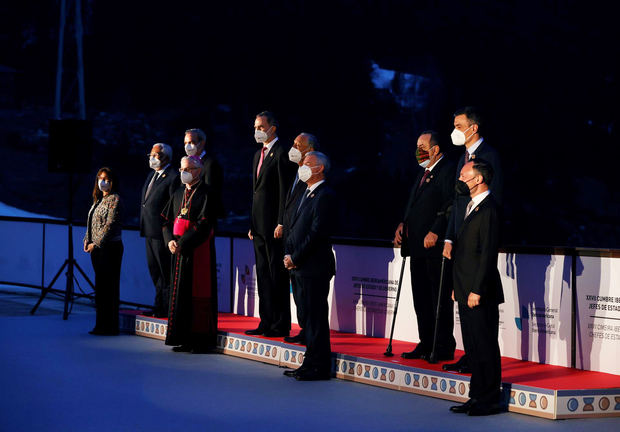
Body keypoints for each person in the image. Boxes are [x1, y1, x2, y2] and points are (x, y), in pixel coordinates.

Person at [442, 106, 504, 374]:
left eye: (459, 125)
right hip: (463, 235)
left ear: (473, 127)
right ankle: (473, 373)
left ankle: (485, 389)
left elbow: (494, 199)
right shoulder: (462, 158)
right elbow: (457, 202)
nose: (454, 130)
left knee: (483, 333)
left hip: (481, 233)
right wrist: (449, 236)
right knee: (470, 329)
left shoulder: (489, 156)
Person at [394, 131, 456, 361]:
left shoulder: (447, 170)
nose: (418, 150)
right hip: (416, 246)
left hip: (435, 246)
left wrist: (437, 230)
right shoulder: (423, 173)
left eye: (422, 146)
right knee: (421, 298)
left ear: (435, 149)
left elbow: (451, 204)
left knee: (437, 298)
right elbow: (414, 206)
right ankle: (426, 342)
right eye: (417, 145)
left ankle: (442, 346)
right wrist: (403, 223)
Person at [448, 160, 504, 416]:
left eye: (463, 175)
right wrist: (457, 287)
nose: (460, 179)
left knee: (484, 345)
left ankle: (490, 399)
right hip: (464, 288)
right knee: (472, 346)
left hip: (479, 292)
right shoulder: (471, 207)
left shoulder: (490, 209)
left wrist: (477, 290)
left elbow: (487, 255)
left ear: (478, 179)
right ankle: (476, 396)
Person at [282, 151, 336, 380]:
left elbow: (316, 233)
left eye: (307, 164)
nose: (302, 167)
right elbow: (293, 227)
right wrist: (288, 254)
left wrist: (296, 257)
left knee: (316, 319)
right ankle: (309, 362)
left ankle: (320, 367)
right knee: (307, 319)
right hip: (300, 266)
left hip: (314, 267)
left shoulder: (325, 195)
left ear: (320, 168)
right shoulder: (305, 192)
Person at [246, 111, 296, 337]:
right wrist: (252, 223)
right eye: (255, 127)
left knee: (277, 275)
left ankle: (280, 323)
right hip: (258, 227)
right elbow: (256, 192)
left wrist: (280, 222)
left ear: (272, 128)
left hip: (274, 227)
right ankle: (265, 322)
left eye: (260, 126)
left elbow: (285, 191)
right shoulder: (258, 155)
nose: (257, 130)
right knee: (263, 275)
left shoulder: (281, 153)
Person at [162, 156, 217, 353]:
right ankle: (183, 337)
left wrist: (182, 242)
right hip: (177, 250)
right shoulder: (177, 192)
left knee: (197, 292)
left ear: (198, 170)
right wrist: (170, 240)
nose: (184, 172)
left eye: (188, 169)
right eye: (182, 169)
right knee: (180, 294)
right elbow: (166, 221)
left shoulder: (207, 193)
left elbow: (204, 223)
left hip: (196, 248)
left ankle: (199, 341)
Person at [282, 132, 318, 344]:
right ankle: (304, 329)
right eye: (294, 143)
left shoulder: (312, 176)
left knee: (309, 296)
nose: (293, 147)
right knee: (297, 293)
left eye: (298, 144)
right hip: (291, 242)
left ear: (310, 149)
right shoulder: (297, 172)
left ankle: (310, 333)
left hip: (306, 249)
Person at [139, 143, 179, 318]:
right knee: (154, 271)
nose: (152, 158)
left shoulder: (172, 177)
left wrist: (169, 232)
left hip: (162, 232)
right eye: (151, 154)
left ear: (166, 157)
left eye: (156, 155)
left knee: (165, 271)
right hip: (148, 230)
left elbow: (173, 206)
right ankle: (158, 307)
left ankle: (168, 308)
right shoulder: (151, 175)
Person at [83, 167, 123, 336]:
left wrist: (96, 243)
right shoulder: (98, 199)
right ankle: (100, 324)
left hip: (110, 248)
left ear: (112, 181)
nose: (102, 181)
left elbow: (110, 225)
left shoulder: (115, 199)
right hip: (97, 250)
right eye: (100, 178)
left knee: (109, 288)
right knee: (101, 288)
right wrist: (87, 239)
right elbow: (91, 221)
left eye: (106, 178)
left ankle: (110, 326)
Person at [184, 128, 224, 219]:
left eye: (191, 142)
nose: (187, 146)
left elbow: (210, 194)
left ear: (201, 143)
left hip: (203, 217)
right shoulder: (185, 164)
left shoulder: (210, 164)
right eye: (185, 143)